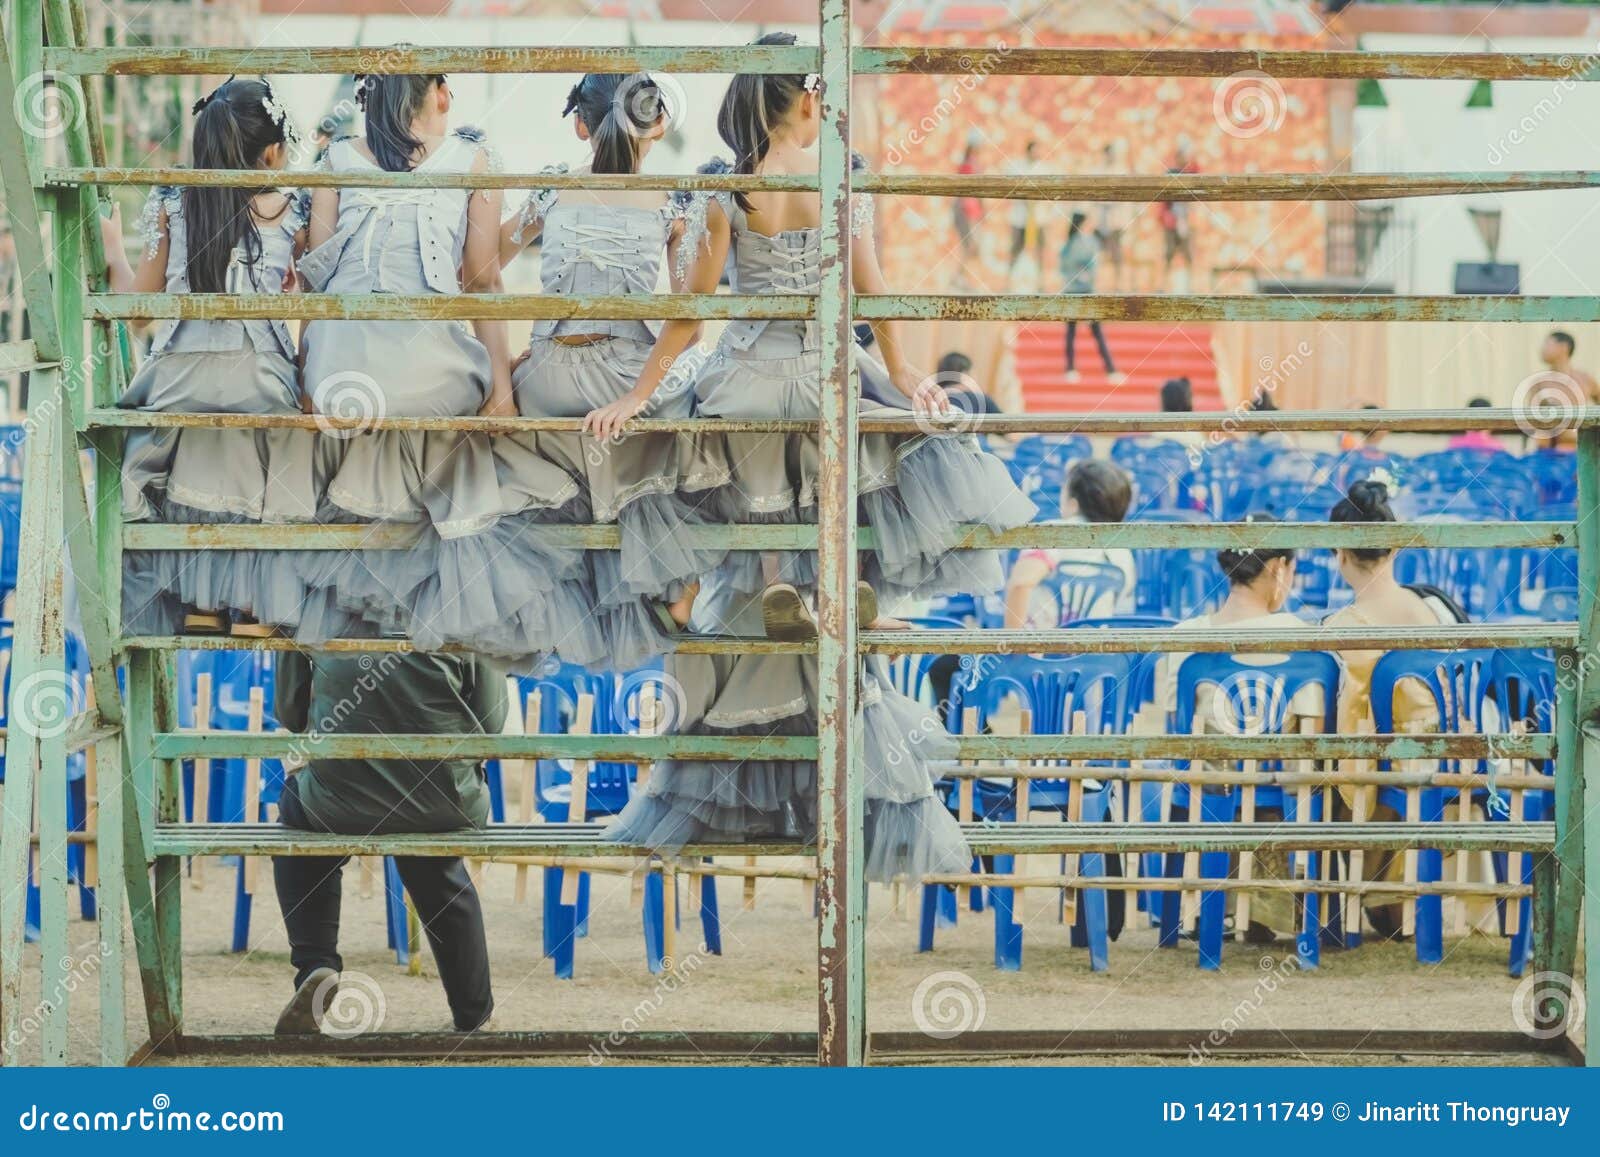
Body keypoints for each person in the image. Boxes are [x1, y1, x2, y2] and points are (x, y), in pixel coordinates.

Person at [605, 33, 1034, 874]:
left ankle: (777, 583)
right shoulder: (841, 183)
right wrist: (908, 377)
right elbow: (873, 296)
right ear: (804, 101)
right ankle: (829, 585)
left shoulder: (727, 192)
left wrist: (640, 391)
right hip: (830, 372)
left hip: (753, 372)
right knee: (844, 465)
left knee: (741, 462)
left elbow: (690, 317)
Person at [297, 69, 587, 659]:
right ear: (437, 95)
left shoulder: (333, 159)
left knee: (421, 394)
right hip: (424, 373)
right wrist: (502, 387)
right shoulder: (476, 160)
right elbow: (482, 278)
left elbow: (315, 279)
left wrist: (309, 376)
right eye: (445, 89)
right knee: (472, 396)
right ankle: (456, 555)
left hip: (339, 371)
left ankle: (383, 549)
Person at [496, 73, 729, 669]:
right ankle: (678, 586)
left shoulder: (551, 189)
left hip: (546, 377)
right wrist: (636, 396)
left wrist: (525, 351)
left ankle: (567, 589)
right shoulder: (677, 201)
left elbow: (481, 269)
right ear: (658, 125)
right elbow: (689, 322)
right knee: (700, 393)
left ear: (581, 124)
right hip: (620, 375)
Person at [106, 77, 317, 638]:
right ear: (271, 152)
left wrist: (110, 250)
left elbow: (138, 313)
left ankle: (198, 601)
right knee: (263, 440)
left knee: (181, 441)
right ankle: (250, 605)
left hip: (181, 369)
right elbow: (309, 291)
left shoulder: (171, 200)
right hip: (261, 372)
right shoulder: (294, 206)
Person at [270, 649, 503, 1035]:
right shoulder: (468, 609)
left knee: (301, 838)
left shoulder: (314, 601)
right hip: (442, 803)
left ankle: (316, 964)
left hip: (338, 803)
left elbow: (290, 714)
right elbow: (491, 721)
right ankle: (473, 1012)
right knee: (436, 867)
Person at [1321, 478, 1484, 939]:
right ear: (1394, 550)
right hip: (1462, 758)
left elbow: (1347, 728)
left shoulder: (1341, 628)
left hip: (1390, 772)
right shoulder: (1437, 607)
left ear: (1340, 555)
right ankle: (1393, 904)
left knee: (1327, 764)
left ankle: (1341, 904)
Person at [1155, 514, 1314, 941]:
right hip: (1278, 778)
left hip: (1208, 778)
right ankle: (1275, 906)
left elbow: (1175, 716)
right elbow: (1311, 716)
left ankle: (1222, 907)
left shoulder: (1186, 636)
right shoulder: (1298, 635)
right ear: (1279, 568)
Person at [1004, 459, 1135, 628]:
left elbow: (1020, 583)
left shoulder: (1053, 533)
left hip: (1039, 650)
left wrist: (1013, 647)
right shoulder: (1123, 552)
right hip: (1092, 651)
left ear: (1073, 504)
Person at [1059, 211, 1116, 382]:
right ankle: (1072, 368)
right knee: (1073, 331)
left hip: (1085, 290)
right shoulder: (1074, 243)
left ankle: (1109, 368)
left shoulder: (1086, 241)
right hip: (1076, 291)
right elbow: (1073, 266)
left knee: (1094, 331)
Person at [1536, 332, 1597, 449]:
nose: (1542, 349)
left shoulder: (1585, 380)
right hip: (1554, 453)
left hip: (1586, 448)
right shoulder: (1541, 383)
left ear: (1563, 347)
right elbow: (1538, 428)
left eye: (1547, 344)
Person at [1158, 135, 1196, 292]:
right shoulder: (1171, 173)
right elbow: (1164, 200)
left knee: (1188, 256)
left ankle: (1190, 287)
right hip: (1172, 221)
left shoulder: (1191, 173)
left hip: (1185, 220)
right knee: (1168, 254)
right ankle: (1163, 286)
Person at [1004, 140, 1044, 282]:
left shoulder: (1042, 168)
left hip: (1038, 217)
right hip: (1020, 216)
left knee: (1040, 250)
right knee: (1015, 248)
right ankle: (1008, 279)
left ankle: (1041, 280)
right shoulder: (1017, 166)